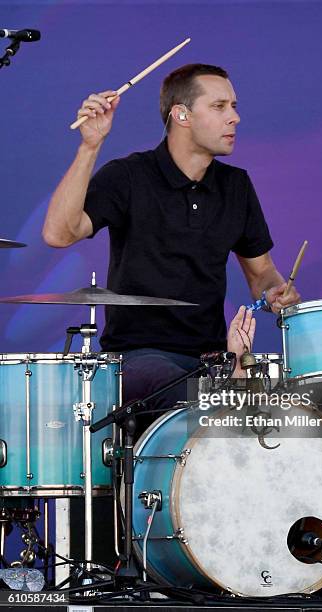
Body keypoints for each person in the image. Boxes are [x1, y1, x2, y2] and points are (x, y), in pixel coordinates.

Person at [42, 63, 300, 425]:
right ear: (181, 114)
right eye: (219, 106)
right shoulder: (129, 176)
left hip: (209, 357)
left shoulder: (236, 186)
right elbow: (58, 234)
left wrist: (276, 292)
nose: (235, 118)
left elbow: (263, 273)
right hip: (137, 357)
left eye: (234, 106)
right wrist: (90, 146)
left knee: (278, 413)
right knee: (193, 397)